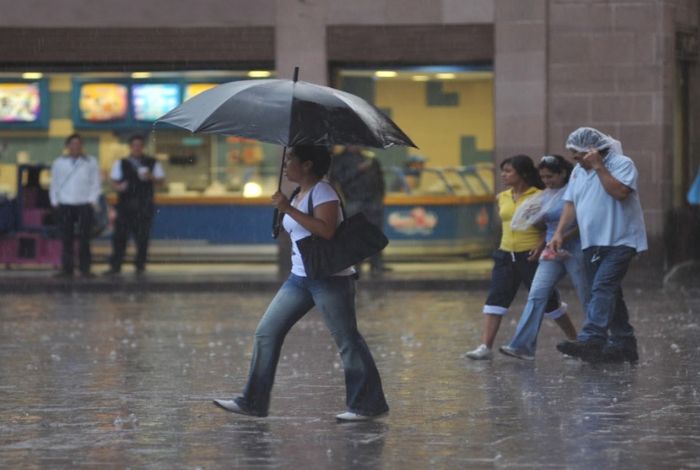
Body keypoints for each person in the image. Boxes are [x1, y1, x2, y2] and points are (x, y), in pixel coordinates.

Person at [214, 145, 389, 421]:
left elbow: (326, 230)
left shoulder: (323, 191)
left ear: (307, 165)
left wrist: (287, 209)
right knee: (266, 333)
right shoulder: (298, 193)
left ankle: (368, 404)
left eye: (291, 159)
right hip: (300, 277)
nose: (286, 164)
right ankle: (253, 401)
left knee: (347, 340)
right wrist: (284, 207)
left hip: (330, 278)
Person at [551, 127, 647, 363]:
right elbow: (570, 203)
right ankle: (624, 343)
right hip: (592, 242)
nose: (576, 161)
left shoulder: (622, 163)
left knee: (602, 287)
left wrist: (598, 166)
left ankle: (592, 338)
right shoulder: (577, 172)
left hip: (621, 240)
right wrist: (560, 232)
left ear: (591, 151)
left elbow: (620, 193)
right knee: (610, 292)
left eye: (578, 156)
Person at [466, 155, 574, 360]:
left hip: (531, 255)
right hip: (505, 254)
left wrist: (541, 243)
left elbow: (550, 225)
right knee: (495, 298)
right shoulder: (502, 197)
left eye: (508, 171)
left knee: (549, 302)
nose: (503, 175)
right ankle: (485, 346)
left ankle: (574, 339)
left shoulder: (540, 195)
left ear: (523, 174)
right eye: (503, 171)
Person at [499, 155, 587, 361]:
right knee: (537, 294)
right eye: (543, 177)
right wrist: (533, 219)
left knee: (586, 294)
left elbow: (583, 223)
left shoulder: (575, 191)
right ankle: (522, 345)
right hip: (551, 250)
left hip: (575, 248)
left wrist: (561, 236)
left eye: (550, 177)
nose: (546, 181)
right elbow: (541, 225)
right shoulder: (545, 195)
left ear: (562, 173)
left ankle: (595, 340)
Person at [104, 134, 165, 276]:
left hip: (144, 206)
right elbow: (113, 182)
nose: (137, 148)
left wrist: (151, 177)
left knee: (142, 238)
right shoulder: (121, 163)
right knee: (120, 237)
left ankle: (140, 265)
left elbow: (161, 181)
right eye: (134, 145)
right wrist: (119, 187)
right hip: (125, 205)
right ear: (130, 147)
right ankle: (116, 265)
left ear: (143, 147)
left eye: (139, 145)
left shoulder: (152, 162)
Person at [329, 145, 388, 276]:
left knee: (375, 233)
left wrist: (379, 198)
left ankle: (376, 263)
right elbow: (339, 178)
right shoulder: (340, 159)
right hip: (354, 200)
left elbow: (380, 178)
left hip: (373, 200)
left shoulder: (369, 157)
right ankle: (356, 264)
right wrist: (358, 170)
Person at [49, 133, 102, 278]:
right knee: (67, 238)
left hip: (84, 204)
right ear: (67, 146)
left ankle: (85, 269)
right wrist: (54, 201)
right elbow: (54, 183)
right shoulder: (58, 162)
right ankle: (67, 269)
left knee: (85, 238)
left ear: (82, 146)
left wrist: (92, 200)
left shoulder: (91, 162)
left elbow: (96, 183)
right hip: (65, 204)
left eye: (78, 144)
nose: (75, 147)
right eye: (72, 144)